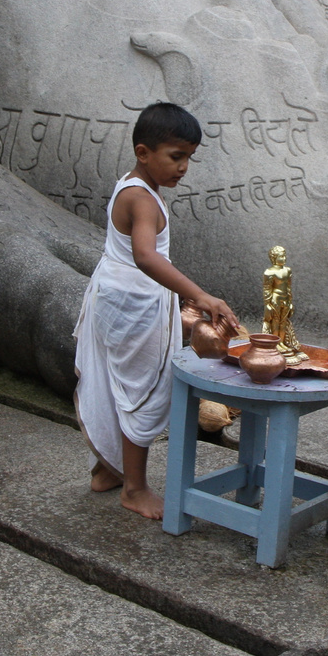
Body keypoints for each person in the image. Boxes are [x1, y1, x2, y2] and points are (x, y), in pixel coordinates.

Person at [74, 102, 239, 519]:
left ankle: (108, 469)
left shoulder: (131, 185)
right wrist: (202, 296)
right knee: (139, 393)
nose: (183, 167)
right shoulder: (141, 199)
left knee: (118, 387)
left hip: (118, 298)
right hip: (132, 305)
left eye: (189, 158)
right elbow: (146, 257)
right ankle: (135, 488)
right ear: (143, 152)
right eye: (176, 156)